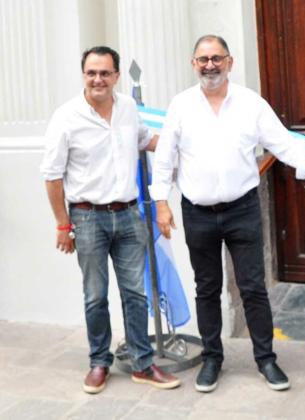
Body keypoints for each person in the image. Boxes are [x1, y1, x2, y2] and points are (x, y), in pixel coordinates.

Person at [150, 35, 305, 393]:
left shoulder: (251, 103)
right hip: (198, 213)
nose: (210, 65)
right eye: (203, 59)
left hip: (242, 210)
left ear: (230, 62)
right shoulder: (181, 106)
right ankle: (212, 359)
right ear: (194, 64)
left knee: (253, 288)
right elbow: (165, 159)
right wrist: (161, 203)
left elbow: (282, 143)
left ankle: (266, 360)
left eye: (217, 58)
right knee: (207, 289)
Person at [41, 46, 181, 394]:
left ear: (117, 76)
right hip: (87, 219)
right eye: (91, 72)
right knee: (95, 295)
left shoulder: (129, 108)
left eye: (105, 73)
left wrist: (187, 143)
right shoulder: (66, 117)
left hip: (130, 215)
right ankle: (99, 363)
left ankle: (143, 364)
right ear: (83, 75)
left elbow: (147, 140)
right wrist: (63, 225)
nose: (98, 79)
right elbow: (52, 175)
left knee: (136, 294)